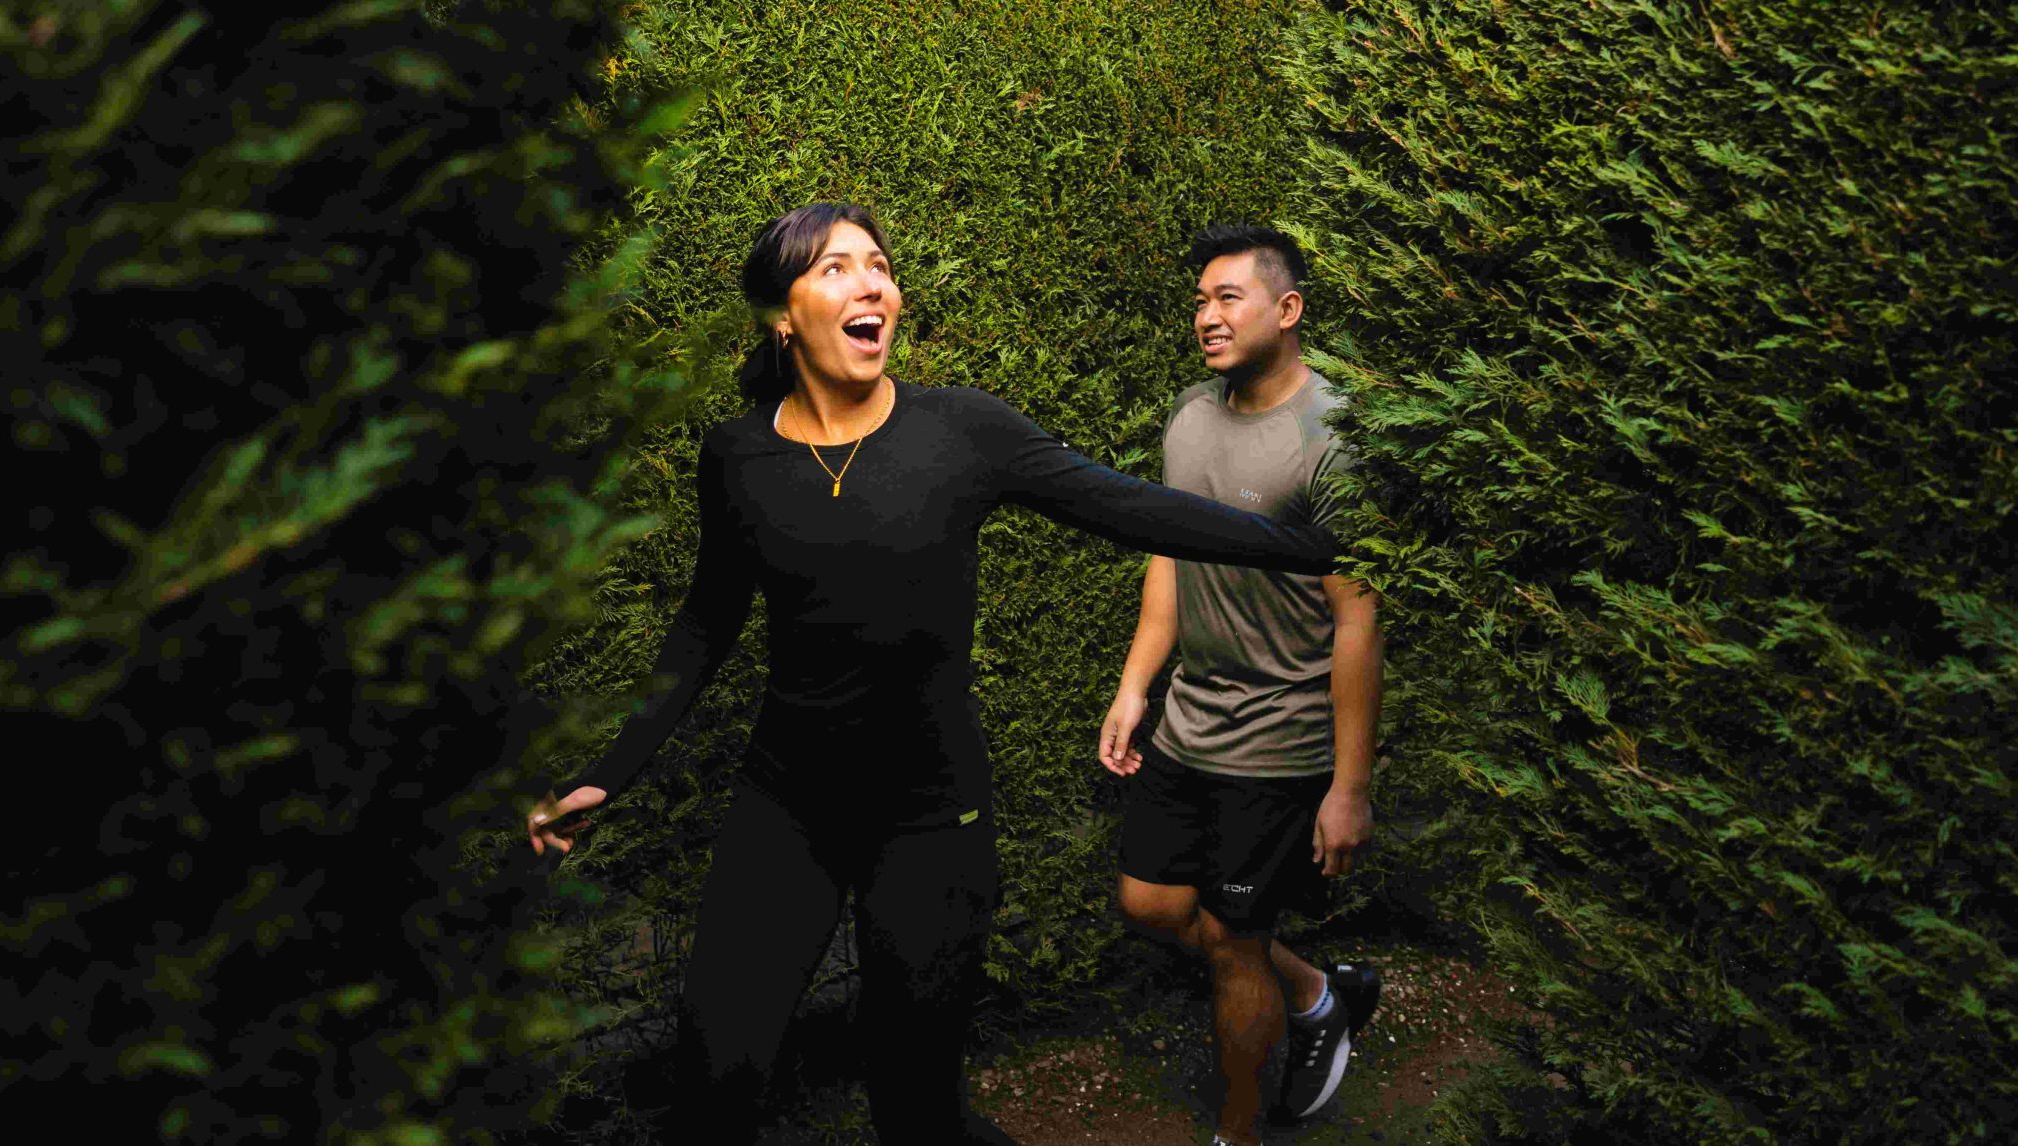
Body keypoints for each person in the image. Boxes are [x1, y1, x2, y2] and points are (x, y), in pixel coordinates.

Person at [527, 202, 1338, 1146]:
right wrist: (608, 772)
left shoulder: (960, 432)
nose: (871, 284)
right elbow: (705, 625)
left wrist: (1313, 547)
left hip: (931, 821)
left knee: (917, 1106)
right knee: (715, 1084)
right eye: (835, 269)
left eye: (879, 265)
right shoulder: (739, 457)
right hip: (785, 810)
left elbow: (1131, 509)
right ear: (780, 316)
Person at [1099, 223, 1383, 1146]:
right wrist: (1137, 684)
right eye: (1199, 301)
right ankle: (1317, 994)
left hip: (1279, 743)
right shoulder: (1190, 415)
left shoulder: (1331, 439)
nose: (1206, 317)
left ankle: (1237, 1134)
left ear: (1288, 309)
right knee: (1149, 904)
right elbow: (1170, 560)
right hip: (1190, 725)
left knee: (1233, 944)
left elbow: (1357, 617)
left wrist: (1348, 786)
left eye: (1228, 298)